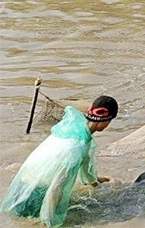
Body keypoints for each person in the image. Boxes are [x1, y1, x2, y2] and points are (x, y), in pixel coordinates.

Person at [2, 96, 118, 227]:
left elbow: (86, 161)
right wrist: (48, 222)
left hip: (21, 189)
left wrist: (95, 181)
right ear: (106, 120)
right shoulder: (75, 149)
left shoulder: (75, 128)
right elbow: (55, 189)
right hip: (30, 198)